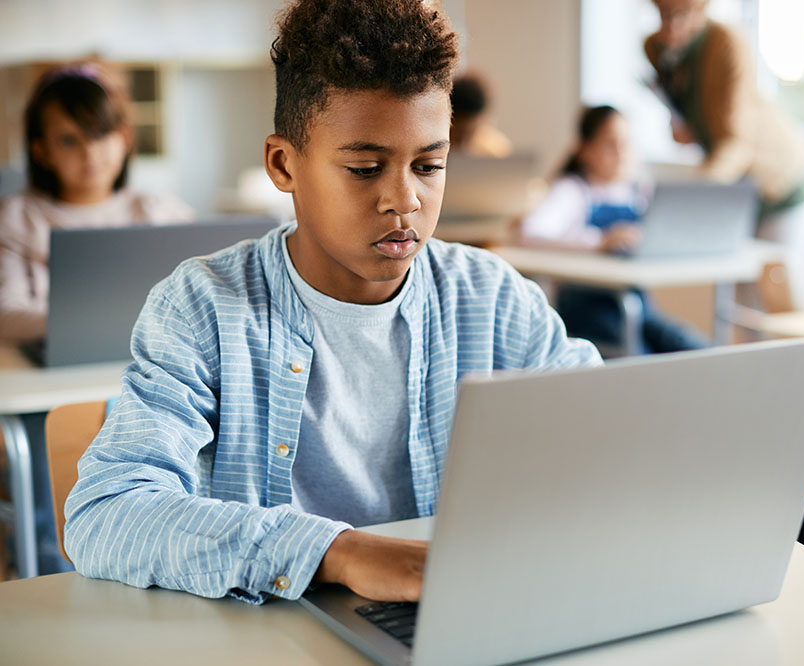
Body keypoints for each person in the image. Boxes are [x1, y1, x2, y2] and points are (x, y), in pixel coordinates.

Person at [64, 0, 600, 604]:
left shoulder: (494, 299)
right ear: (283, 164)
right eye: (366, 168)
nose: (404, 201)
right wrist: (340, 553)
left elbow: (604, 442)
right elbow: (106, 513)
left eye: (429, 165)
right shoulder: (201, 308)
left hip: (454, 613)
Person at [0, 60, 192, 576]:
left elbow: (201, 286)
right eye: (69, 140)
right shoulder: (20, 217)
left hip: (146, 374)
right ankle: (50, 557)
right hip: (54, 384)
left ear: (125, 139)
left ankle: (161, 549)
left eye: (102, 135)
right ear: (40, 149)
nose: (90, 153)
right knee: (64, 440)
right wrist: (78, 319)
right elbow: (6, 313)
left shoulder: (155, 209)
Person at [644, 0, 804, 310]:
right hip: (739, 193)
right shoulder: (655, 49)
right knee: (742, 304)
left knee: (781, 299)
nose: (672, 25)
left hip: (782, 181)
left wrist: (695, 194)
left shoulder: (725, 43)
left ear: (701, 8)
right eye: (664, 14)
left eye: (682, 14)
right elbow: (689, 121)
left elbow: (736, 141)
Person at [520, 104, 707, 355]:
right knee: (646, 361)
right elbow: (529, 232)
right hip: (588, 311)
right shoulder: (573, 190)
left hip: (639, 308)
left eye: (627, 143)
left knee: (697, 348)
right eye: (610, 143)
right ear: (585, 149)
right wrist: (599, 242)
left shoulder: (638, 192)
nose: (621, 153)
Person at [448, 72, 513, 158]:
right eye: (457, 135)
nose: (462, 144)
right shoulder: (434, 148)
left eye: (469, 134)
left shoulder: (496, 151)